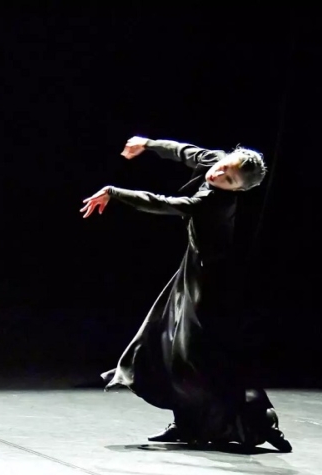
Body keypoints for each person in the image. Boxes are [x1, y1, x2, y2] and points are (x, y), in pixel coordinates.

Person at [81, 136, 291, 452]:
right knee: (167, 344)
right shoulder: (215, 160)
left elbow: (166, 204)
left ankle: (258, 423)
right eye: (223, 167)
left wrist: (114, 192)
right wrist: (147, 143)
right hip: (191, 272)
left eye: (228, 179)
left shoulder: (213, 202)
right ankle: (187, 423)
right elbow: (182, 151)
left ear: (236, 190)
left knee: (198, 360)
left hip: (210, 284)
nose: (218, 174)